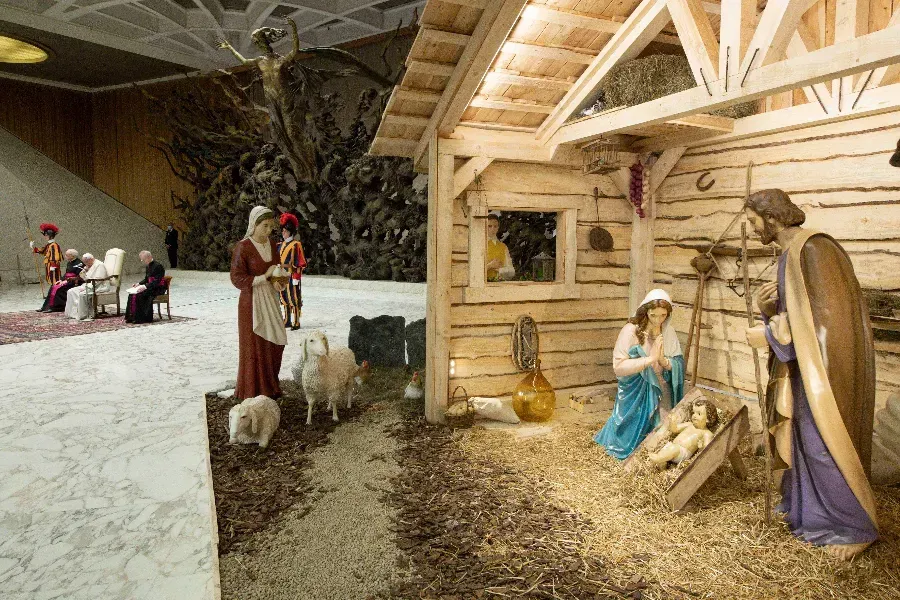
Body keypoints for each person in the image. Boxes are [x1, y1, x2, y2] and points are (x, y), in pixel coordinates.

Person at [743, 189, 878, 560]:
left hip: (826, 373)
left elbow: (825, 324)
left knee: (823, 446)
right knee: (804, 443)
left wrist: (770, 334)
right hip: (806, 369)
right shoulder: (793, 254)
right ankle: (809, 513)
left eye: (754, 221)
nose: (753, 229)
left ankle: (853, 527)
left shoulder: (814, 250)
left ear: (772, 218)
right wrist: (768, 309)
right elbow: (799, 313)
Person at [594, 289, 686, 459]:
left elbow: (679, 363)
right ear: (645, 312)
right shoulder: (630, 331)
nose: (659, 320)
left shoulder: (669, 332)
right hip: (636, 391)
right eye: (653, 315)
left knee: (664, 432)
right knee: (632, 435)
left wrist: (665, 362)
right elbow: (619, 366)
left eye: (663, 315)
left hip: (661, 390)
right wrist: (650, 360)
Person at [231, 206, 288, 399]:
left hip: (270, 299)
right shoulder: (243, 247)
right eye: (264, 226)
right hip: (251, 303)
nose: (268, 230)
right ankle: (254, 390)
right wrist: (264, 277)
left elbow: (276, 269)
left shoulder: (272, 244)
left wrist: (278, 282)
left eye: (271, 226)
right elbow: (237, 278)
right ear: (254, 225)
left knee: (275, 342)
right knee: (255, 345)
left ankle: (271, 385)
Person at [649, 397, 718, 467]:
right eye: (694, 413)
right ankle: (662, 468)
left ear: (708, 419)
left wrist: (701, 447)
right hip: (672, 446)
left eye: (699, 414)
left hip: (683, 452)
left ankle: (658, 458)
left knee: (672, 450)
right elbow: (675, 429)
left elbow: (707, 449)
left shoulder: (706, 433)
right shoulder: (689, 424)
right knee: (664, 456)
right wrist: (672, 422)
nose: (694, 415)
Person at [277, 213, 307, 330]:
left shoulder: (296, 244)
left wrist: (296, 277)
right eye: (282, 230)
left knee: (293, 298)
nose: (283, 233)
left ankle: (296, 321)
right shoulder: (280, 245)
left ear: (291, 231)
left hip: (291, 275)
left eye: (285, 231)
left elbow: (300, 262)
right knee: (283, 297)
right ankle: (287, 320)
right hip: (281, 274)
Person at [65, 253, 110, 321]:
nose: (85, 264)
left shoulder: (99, 265)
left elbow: (99, 280)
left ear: (91, 259)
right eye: (84, 262)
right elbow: (82, 277)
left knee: (82, 294)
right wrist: (85, 270)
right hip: (88, 285)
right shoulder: (89, 265)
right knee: (71, 291)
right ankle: (74, 314)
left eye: (86, 262)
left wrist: (88, 285)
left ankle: (85, 314)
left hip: (99, 286)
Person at [125, 251, 166, 324]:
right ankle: (131, 317)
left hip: (157, 288)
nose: (142, 261)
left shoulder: (158, 266)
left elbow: (157, 281)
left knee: (140, 295)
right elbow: (147, 279)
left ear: (149, 257)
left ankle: (142, 318)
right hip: (150, 286)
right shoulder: (148, 266)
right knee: (132, 294)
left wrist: (145, 286)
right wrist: (139, 284)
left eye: (143, 259)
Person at [485, 213, 515, 282]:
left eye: (495, 226)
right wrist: (490, 266)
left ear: (498, 228)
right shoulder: (479, 245)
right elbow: (474, 271)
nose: (493, 229)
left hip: (500, 285)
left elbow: (512, 271)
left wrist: (500, 270)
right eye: (489, 226)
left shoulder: (503, 247)